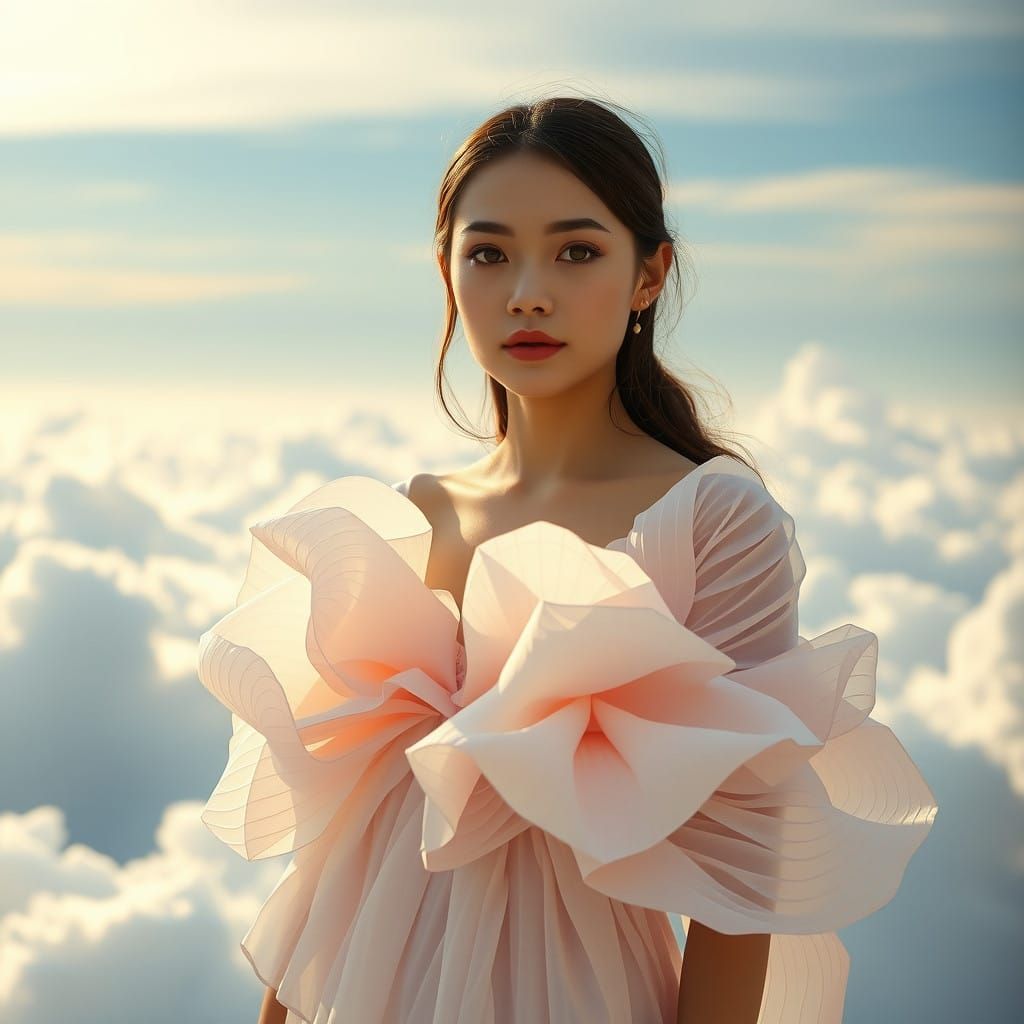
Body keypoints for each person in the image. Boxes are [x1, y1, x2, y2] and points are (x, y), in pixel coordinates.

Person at [198, 95, 937, 1024]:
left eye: (577, 251)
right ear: (447, 273)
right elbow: (347, 846)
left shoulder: (712, 519)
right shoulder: (419, 515)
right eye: (490, 252)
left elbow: (744, 865)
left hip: (574, 994)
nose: (528, 292)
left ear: (648, 274)